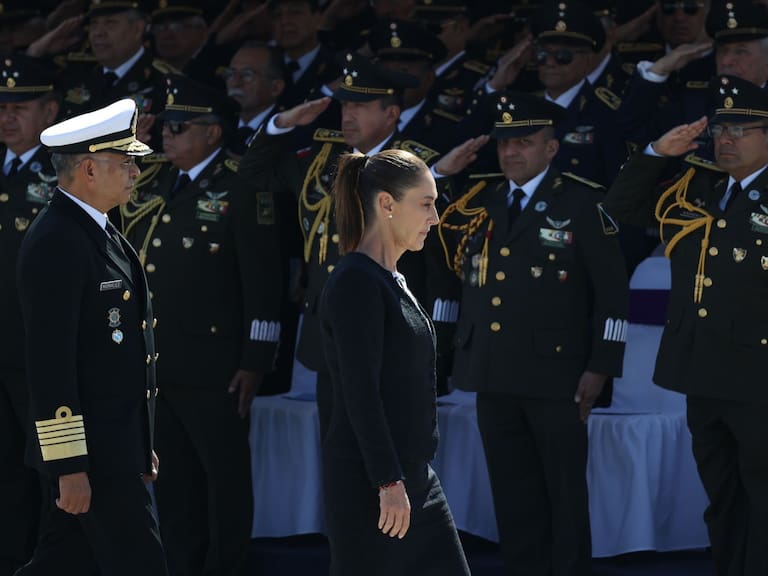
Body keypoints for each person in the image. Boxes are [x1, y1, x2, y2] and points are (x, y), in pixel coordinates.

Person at [438, 90, 629, 576]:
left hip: (557, 376)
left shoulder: (583, 202)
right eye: (505, 143)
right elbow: (428, 224)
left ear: (551, 147)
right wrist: (440, 173)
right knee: (513, 494)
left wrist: (601, 367)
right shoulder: (480, 199)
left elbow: (612, 296)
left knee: (563, 495)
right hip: (493, 370)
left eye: (524, 142)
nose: (511, 152)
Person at [604, 74, 768, 576]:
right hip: (701, 371)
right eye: (720, 129)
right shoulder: (698, 186)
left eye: (740, 130)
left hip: (758, 377)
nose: (726, 140)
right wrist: (657, 153)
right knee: (721, 496)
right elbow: (619, 208)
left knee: (763, 497)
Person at [119, 74, 282, 576]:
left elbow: (265, 283)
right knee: (173, 481)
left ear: (213, 132)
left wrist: (256, 361)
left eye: (179, 128)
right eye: (165, 127)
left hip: (217, 367)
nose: (166, 136)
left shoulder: (241, 184)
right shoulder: (158, 180)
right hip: (161, 362)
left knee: (224, 481)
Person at [14, 98, 167, 575]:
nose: (136, 172)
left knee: (61, 562)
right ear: (89, 170)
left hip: (113, 449)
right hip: (94, 457)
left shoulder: (96, 228)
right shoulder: (58, 239)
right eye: (126, 163)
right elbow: (51, 365)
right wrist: (69, 466)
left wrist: (140, 441)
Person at [319, 148, 470, 576]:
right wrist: (387, 481)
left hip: (414, 478)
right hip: (374, 485)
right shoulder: (356, 280)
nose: (435, 217)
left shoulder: (389, 277)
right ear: (386, 203)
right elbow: (360, 394)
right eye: (425, 203)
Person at [0, 53, 59, 576]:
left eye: (20, 106)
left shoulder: (63, 174)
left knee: (47, 463)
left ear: (50, 111)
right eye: (2, 107)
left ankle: (48, 560)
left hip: (37, 347)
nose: (8, 117)